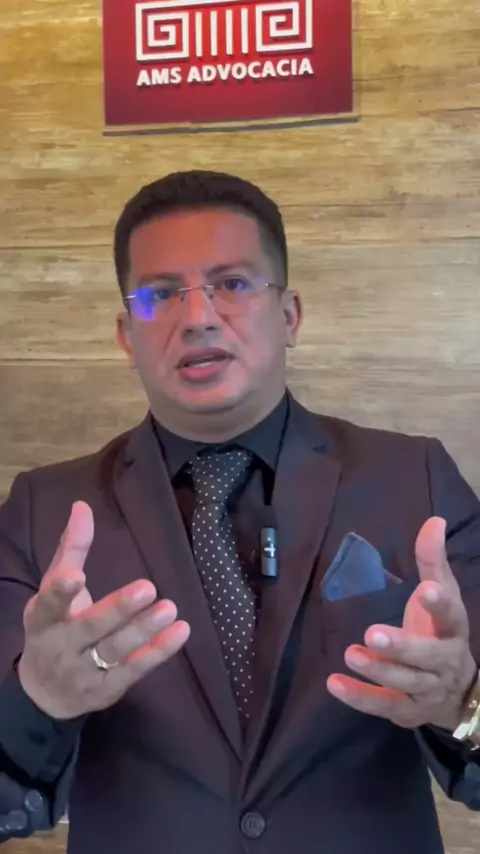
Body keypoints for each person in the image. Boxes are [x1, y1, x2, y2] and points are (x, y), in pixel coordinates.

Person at [1, 170, 480, 854]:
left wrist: (464, 703)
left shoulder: (415, 481)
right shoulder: (43, 512)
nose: (198, 317)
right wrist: (34, 700)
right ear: (126, 335)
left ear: (290, 316)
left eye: (232, 283)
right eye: (160, 294)